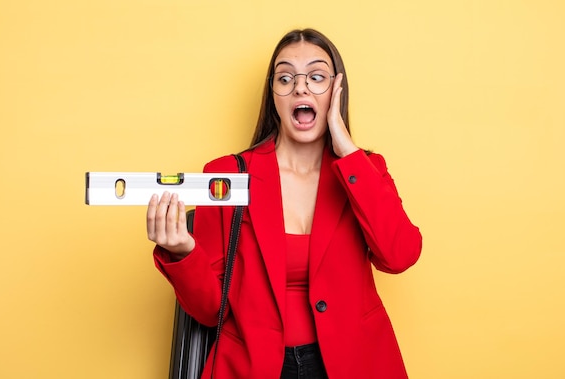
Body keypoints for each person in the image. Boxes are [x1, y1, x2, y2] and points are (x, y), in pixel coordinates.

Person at [146, 28, 422, 379]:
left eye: (317, 77)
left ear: (337, 91)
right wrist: (183, 252)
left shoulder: (365, 170)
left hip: (354, 364)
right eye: (286, 77)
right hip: (255, 369)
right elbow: (210, 310)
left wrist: (348, 151)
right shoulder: (227, 176)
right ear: (273, 94)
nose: (300, 87)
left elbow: (400, 256)